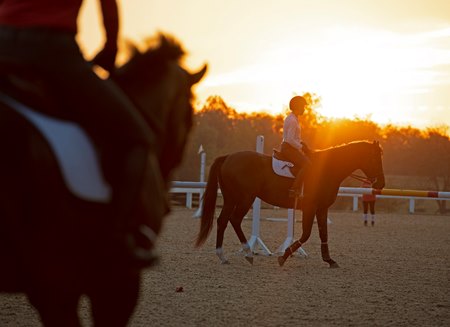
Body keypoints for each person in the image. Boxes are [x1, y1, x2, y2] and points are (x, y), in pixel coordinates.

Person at [0, 1, 166, 236]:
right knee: (137, 139)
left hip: (3, 43)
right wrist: (109, 49)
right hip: (52, 48)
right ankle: (120, 236)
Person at [280, 95, 311, 197]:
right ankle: (294, 189)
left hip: (290, 147)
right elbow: (290, 139)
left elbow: (294, 138)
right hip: (288, 148)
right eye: (303, 107)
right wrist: (301, 147)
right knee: (307, 164)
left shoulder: (293, 118)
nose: (304, 109)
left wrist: (302, 143)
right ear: (298, 106)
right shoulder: (293, 120)